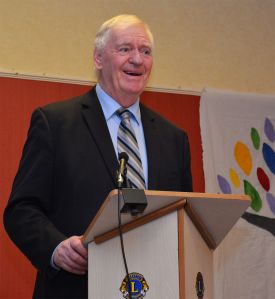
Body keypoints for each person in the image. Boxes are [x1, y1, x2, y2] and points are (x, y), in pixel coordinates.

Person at [4, 14, 192, 298]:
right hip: (75, 287)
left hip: (154, 287)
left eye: (145, 51)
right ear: (99, 58)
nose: (137, 60)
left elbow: (184, 219)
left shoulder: (174, 138)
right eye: (125, 49)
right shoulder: (55, 123)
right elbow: (21, 210)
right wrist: (56, 248)